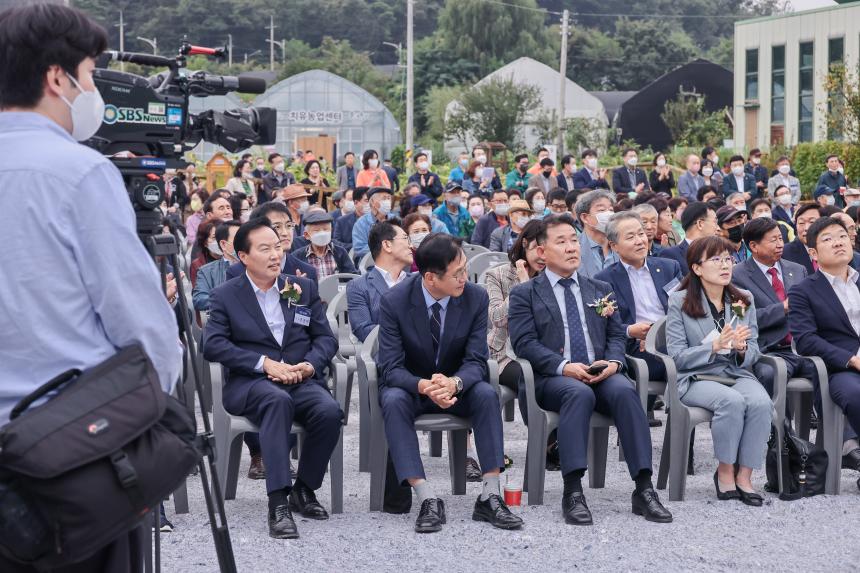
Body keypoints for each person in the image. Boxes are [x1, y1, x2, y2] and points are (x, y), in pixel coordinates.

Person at [0, 4, 183, 566]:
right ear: (58, 78)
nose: (93, 89)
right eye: (90, 73)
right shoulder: (78, 172)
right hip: (71, 459)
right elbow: (145, 333)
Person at [508, 214, 672, 525]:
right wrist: (564, 366)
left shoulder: (598, 287)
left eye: (574, 240)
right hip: (553, 378)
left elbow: (615, 334)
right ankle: (572, 490)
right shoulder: (525, 293)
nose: (572, 247)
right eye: (561, 242)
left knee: (625, 392)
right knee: (578, 393)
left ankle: (644, 488)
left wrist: (614, 362)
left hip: (599, 372)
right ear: (541, 251)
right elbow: (524, 344)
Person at [203, 219, 341, 539]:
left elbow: (325, 338)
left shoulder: (300, 287)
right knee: (276, 401)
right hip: (251, 382)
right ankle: (278, 502)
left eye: (277, 247)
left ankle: (303, 489)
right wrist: (263, 364)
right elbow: (212, 344)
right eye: (265, 249)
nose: (275, 255)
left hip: (299, 378)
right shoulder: (226, 295)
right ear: (243, 256)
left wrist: (309, 365)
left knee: (329, 411)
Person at [377, 233, 523, 533]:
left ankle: (490, 495)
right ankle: (427, 498)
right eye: (457, 273)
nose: (464, 278)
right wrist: (425, 386)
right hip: (414, 387)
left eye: (465, 269)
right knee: (391, 399)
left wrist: (455, 383)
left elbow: (477, 359)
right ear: (430, 278)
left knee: (486, 393)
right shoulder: (394, 301)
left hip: (458, 385)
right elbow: (390, 367)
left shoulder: (475, 297)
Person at [666, 236, 770, 505]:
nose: (725, 265)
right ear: (697, 268)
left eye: (728, 259)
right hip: (695, 376)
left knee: (761, 402)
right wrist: (714, 346)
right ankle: (725, 471)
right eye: (716, 260)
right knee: (731, 401)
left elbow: (755, 349)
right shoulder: (679, 301)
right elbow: (677, 357)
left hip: (733, 372)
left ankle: (744, 476)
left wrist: (741, 349)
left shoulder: (743, 299)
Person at [790, 216, 860, 480]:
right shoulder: (803, 291)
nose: (838, 243)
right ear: (813, 253)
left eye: (842, 236)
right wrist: (851, 359)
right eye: (828, 239)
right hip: (840, 369)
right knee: (855, 394)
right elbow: (806, 340)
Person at [595, 212, 683, 411]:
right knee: (684, 360)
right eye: (630, 237)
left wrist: (660, 335)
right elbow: (603, 326)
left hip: (674, 338)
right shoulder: (603, 280)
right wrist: (630, 331)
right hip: (637, 347)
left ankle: (682, 424)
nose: (639, 241)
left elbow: (685, 307)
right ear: (614, 246)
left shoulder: (669, 267)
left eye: (641, 234)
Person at [731, 218, 818, 404]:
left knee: (832, 368)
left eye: (780, 238)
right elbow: (742, 319)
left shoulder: (798, 269)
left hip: (802, 347)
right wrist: (783, 308)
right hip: (769, 350)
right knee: (770, 374)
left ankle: (822, 419)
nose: (780, 244)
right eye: (773, 240)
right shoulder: (737, 275)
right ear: (753, 246)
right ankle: (778, 422)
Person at [485, 219, 545, 424]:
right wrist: (521, 286)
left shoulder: (551, 276)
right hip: (505, 354)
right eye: (538, 248)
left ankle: (555, 434)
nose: (542, 256)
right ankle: (542, 437)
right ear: (525, 243)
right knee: (529, 377)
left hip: (542, 350)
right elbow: (497, 318)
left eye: (547, 250)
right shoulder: (498, 275)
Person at [226, 202, 317, 281]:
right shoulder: (237, 272)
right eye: (277, 227)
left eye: (289, 226)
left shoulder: (307, 271)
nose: (285, 233)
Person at [291, 210, 357, 280]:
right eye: (316, 230)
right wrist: (299, 280)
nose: (322, 234)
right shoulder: (297, 256)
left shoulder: (340, 252)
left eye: (326, 229)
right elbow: (289, 279)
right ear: (306, 235)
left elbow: (353, 276)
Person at [659, 201, 720, 275]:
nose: (718, 228)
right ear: (700, 224)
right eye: (715, 222)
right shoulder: (671, 255)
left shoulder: (719, 251)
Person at [193, 220, 241, 312]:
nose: (243, 243)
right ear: (223, 244)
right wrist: (226, 299)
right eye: (238, 239)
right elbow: (199, 300)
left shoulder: (254, 266)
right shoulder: (206, 271)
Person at [574, 189, 618, 278]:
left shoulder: (620, 243)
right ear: (585, 217)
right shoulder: (574, 248)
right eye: (602, 210)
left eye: (611, 210)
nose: (608, 214)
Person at [352, 186, 395, 260]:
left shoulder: (395, 219)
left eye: (389, 198)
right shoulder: (361, 224)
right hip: (372, 263)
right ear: (372, 202)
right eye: (384, 198)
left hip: (395, 261)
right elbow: (359, 249)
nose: (387, 202)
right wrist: (383, 247)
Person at [782, 203, 821, 274]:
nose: (806, 228)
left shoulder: (834, 248)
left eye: (812, 222)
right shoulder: (785, 253)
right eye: (801, 223)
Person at [334, 186, 366, 252]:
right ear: (356, 202)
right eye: (366, 201)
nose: (369, 204)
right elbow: (336, 243)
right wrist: (356, 246)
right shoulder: (342, 221)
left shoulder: (378, 220)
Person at [190, 220, 222, 287]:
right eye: (214, 238)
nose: (219, 241)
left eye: (221, 237)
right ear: (205, 242)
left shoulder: (234, 260)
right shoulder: (197, 265)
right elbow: (198, 290)